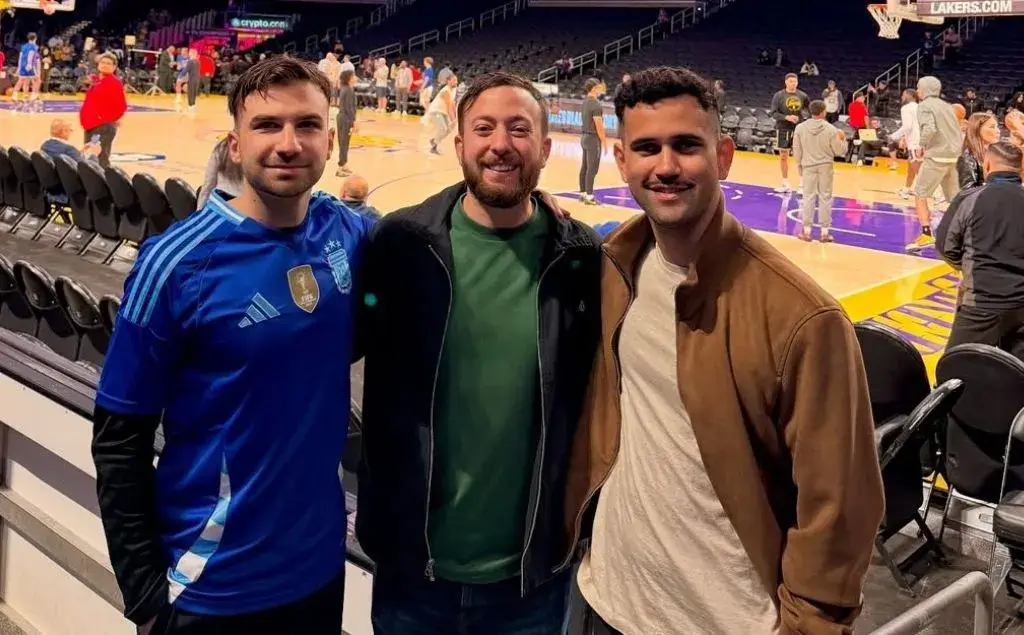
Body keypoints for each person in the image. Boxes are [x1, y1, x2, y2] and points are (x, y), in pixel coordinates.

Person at [568, 66, 883, 635]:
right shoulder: (617, 264)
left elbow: (841, 507)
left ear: (725, 155)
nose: (665, 166)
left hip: (725, 619)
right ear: (622, 161)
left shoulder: (803, 317)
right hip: (605, 599)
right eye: (646, 148)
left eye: (687, 146)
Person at [92, 56, 373, 635]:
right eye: (268, 125)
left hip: (319, 570)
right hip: (209, 584)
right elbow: (119, 438)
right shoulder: (176, 263)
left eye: (307, 125)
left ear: (329, 137)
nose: (289, 144)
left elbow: (434, 234)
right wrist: (143, 595)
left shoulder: (346, 231)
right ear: (235, 144)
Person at [356, 70, 602, 635]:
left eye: (519, 129)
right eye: (484, 128)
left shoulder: (581, 258)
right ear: (461, 142)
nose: (500, 144)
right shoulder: (399, 244)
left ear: (545, 146)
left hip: (531, 581)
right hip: (412, 570)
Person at [936, 142, 1024, 358]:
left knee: (955, 371)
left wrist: (968, 266)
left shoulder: (969, 198)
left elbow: (946, 246)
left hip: (981, 303)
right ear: (1020, 169)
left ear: (987, 164)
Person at [907, 76, 962, 252]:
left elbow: (929, 128)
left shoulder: (924, 106)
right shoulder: (947, 106)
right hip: (953, 156)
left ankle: (926, 234)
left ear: (924, 88)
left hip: (937, 155)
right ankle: (962, 235)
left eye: (918, 87)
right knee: (954, 199)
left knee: (920, 194)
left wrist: (921, 145)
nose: (917, 90)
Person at [793, 99, 848, 242]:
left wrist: (799, 165)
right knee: (825, 197)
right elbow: (838, 151)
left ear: (811, 111)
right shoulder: (831, 129)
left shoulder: (800, 128)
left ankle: (806, 232)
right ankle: (824, 233)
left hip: (808, 166)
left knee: (808, 197)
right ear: (823, 112)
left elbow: (797, 150)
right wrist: (843, 140)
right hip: (825, 166)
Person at [79, 53, 126, 169]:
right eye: (103, 62)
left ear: (114, 67)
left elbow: (121, 106)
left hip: (102, 127)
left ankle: (102, 183)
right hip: (90, 125)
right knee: (89, 155)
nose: (105, 65)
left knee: (99, 157)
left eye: (108, 63)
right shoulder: (96, 81)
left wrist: (106, 119)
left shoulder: (114, 83)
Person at [769, 73, 809, 193]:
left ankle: (802, 184)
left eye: (795, 81)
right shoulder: (778, 96)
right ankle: (785, 183)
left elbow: (809, 110)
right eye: (791, 81)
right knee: (783, 156)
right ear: (786, 82)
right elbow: (774, 113)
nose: (793, 83)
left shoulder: (803, 95)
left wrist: (804, 119)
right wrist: (786, 117)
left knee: (801, 157)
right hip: (783, 128)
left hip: (799, 129)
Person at [889, 89, 922, 198]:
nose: (902, 97)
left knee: (917, 169)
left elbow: (907, 126)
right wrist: (904, 138)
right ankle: (908, 188)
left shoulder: (906, 108)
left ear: (910, 95)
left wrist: (894, 136)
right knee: (913, 166)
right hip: (921, 141)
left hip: (915, 141)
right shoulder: (919, 107)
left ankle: (937, 194)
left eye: (903, 95)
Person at [579, 77, 607, 205]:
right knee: (592, 168)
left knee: (584, 166)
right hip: (592, 139)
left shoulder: (585, 102)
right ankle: (589, 197)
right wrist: (604, 142)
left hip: (584, 137)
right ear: (594, 88)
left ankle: (583, 193)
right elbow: (599, 126)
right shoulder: (596, 104)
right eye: (599, 86)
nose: (602, 88)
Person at [196, 137, 243, 209]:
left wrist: (199, 212)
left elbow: (209, 184)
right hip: (245, 202)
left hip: (221, 200)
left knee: (201, 190)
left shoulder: (222, 146)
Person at [957, 112, 1000, 190]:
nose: (998, 131)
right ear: (977, 129)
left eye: (997, 127)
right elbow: (968, 190)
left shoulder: (995, 153)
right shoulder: (967, 157)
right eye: (992, 127)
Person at [425, 73, 458, 155]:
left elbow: (453, 104)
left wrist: (456, 117)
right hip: (436, 111)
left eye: (456, 80)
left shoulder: (453, 90)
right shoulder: (446, 90)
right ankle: (434, 147)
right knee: (442, 129)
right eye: (454, 80)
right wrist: (452, 119)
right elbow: (448, 106)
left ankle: (434, 140)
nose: (456, 82)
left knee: (449, 129)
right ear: (448, 81)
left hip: (443, 112)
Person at [336, 69, 358, 177]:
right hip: (345, 118)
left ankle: (344, 163)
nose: (355, 77)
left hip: (343, 117)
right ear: (349, 77)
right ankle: (340, 167)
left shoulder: (346, 88)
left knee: (345, 142)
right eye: (353, 75)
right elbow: (349, 108)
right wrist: (354, 121)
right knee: (344, 143)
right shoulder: (348, 90)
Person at [12, 32, 41, 109]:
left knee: (21, 81)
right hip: (29, 66)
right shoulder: (34, 47)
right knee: (37, 80)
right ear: (35, 38)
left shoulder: (23, 46)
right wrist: (31, 68)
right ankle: (33, 97)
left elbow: (20, 58)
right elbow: (30, 57)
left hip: (22, 66)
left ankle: (15, 96)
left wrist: (19, 68)